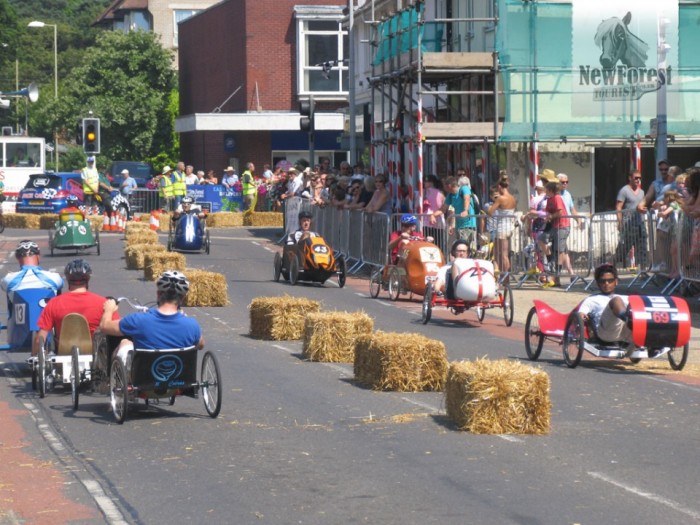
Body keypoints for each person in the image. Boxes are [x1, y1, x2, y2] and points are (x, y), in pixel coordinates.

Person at [100, 271, 204, 366]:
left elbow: (105, 327)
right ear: (182, 298)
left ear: (158, 294)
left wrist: (109, 310)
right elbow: (200, 344)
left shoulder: (138, 320)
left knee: (125, 343)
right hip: (179, 379)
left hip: (144, 379)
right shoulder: (192, 325)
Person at [33, 260, 118, 356]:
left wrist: (34, 355)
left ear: (68, 280)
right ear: (87, 279)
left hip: (63, 351)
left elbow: (39, 339)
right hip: (95, 352)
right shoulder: (103, 303)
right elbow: (115, 328)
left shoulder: (54, 303)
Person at [577, 263, 633, 348]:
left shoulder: (626, 298)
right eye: (603, 281)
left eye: (610, 280)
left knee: (637, 300)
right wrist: (582, 316)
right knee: (615, 300)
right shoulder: (591, 299)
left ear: (616, 281)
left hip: (627, 331)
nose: (606, 283)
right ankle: (627, 318)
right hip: (606, 332)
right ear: (598, 283)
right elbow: (580, 313)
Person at [1, 241, 63, 306]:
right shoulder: (53, 278)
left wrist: (12, 275)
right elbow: (61, 284)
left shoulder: (9, 279)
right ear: (38, 256)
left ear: (17, 258)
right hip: (46, 315)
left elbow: (3, 285)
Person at [538, 180, 571, 286]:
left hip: (562, 226)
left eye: (546, 189)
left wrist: (551, 216)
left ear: (551, 190)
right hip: (553, 226)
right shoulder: (549, 199)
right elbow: (548, 211)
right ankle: (551, 260)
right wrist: (547, 216)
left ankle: (556, 274)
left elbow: (560, 212)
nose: (545, 191)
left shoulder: (557, 198)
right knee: (542, 239)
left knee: (559, 250)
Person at [615, 169, 647, 270]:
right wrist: (620, 222)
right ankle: (612, 267)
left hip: (640, 223)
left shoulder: (642, 192)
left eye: (640, 178)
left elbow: (643, 205)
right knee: (623, 249)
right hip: (628, 224)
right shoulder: (624, 190)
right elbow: (619, 207)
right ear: (630, 178)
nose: (638, 180)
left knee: (642, 248)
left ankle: (642, 271)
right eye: (636, 178)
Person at [486, 172, 517, 278]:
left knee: (503, 254)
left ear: (499, 187)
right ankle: (503, 275)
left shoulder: (501, 198)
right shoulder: (512, 198)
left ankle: (506, 277)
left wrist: (493, 203)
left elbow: (490, 212)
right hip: (510, 226)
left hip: (502, 227)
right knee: (498, 251)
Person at [442, 175, 478, 253]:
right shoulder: (451, 195)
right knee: (459, 248)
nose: (443, 188)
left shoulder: (464, 189)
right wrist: (433, 215)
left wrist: (465, 210)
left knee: (465, 249)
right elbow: (446, 209)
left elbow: (466, 199)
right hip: (459, 226)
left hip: (468, 225)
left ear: (449, 186)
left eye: (444, 186)